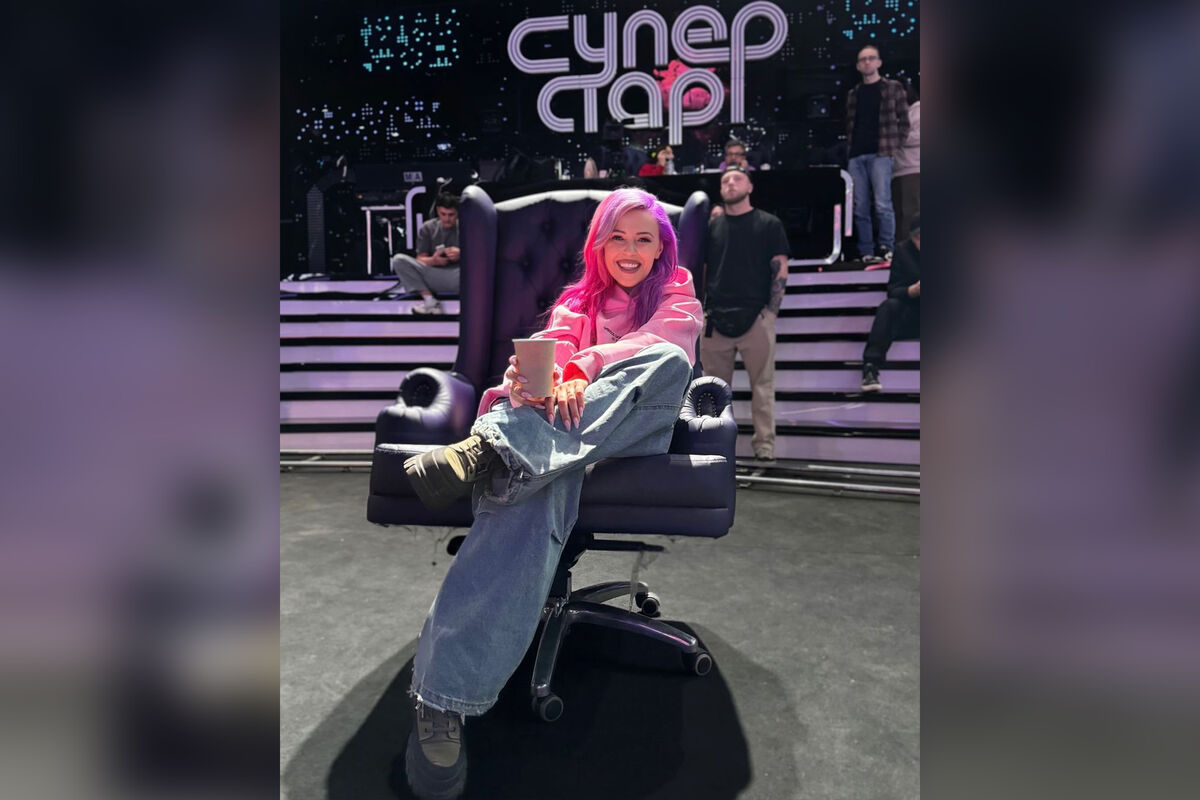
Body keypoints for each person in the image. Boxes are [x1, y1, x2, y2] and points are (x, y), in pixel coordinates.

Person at [400, 188, 703, 800]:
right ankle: (442, 700)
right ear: (599, 244)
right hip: (559, 450)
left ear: (661, 249)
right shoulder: (574, 301)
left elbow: (664, 349)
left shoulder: (677, 292)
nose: (630, 250)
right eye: (618, 237)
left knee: (668, 361)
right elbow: (554, 358)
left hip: (633, 434)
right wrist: (528, 381)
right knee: (536, 477)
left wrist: (583, 370)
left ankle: (490, 450)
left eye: (644, 239)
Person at [700, 165, 790, 461]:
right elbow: (702, 270)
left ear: (750, 186)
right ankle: (714, 449)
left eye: (737, 178)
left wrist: (771, 314)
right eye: (725, 180)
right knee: (713, 393)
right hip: (716, 318)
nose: (730, 183)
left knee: (762, 387)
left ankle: (765, 447)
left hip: (756, 317)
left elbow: (780, 268)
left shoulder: (768, 224)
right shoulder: (711, 228)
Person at [845, 44, 910, 266]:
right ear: (858, 66)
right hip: (856, 155)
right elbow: (850, 124)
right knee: (860, 206)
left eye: (871, 58)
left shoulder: (893, 88)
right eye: (863, 59)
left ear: (879, 62)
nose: (867, 62)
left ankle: (887, 248)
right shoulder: (853, 94)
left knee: (883, 203)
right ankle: (866, 250)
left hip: (881, 152)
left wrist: (895, 145)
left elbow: (904, 121)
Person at [862, 212, 920, 392]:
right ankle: (870, 367)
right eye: (918, 238)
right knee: (888, 307)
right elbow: (893, 290)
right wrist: (911, 291)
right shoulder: (902, 251)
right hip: (913, 312)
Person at [391, 194, 461, 315]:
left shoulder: (467, 227)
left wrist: (462, 254)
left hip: (459, 276)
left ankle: (468, 304)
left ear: (458, 213)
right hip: (433, 275)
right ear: (438, 211)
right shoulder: (428, 227)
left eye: (451, 215)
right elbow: (421, 259)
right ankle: (430, 301)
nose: (447, 219)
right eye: (443, 214)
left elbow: (480, 258)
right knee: (398, 260)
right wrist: (434, 260)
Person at [891, 80, 920, 242]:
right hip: (896, 172)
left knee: (911, 215)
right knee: (900, 216)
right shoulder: (894, 115)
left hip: (913, 169)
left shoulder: (918, 110)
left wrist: (896, 136)